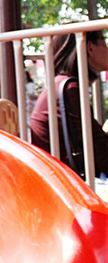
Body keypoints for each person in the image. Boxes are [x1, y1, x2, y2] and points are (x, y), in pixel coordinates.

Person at [29, 30, 108, 178]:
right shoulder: (70, 89)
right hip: (66, 184)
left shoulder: (61, 85)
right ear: (90, 48)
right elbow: (100, 151)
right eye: (104, 42)